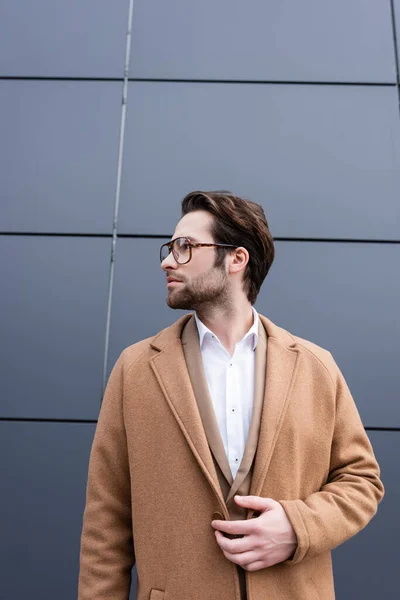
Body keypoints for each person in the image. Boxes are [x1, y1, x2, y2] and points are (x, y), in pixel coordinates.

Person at [78, 190, 384, 600]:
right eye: (170, 248)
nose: (168, 260)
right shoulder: (135, 369)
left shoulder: (315, 367)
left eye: (185, 247)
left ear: (236, 259)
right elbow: (106, 521)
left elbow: (361, 481)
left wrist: (298, 527)